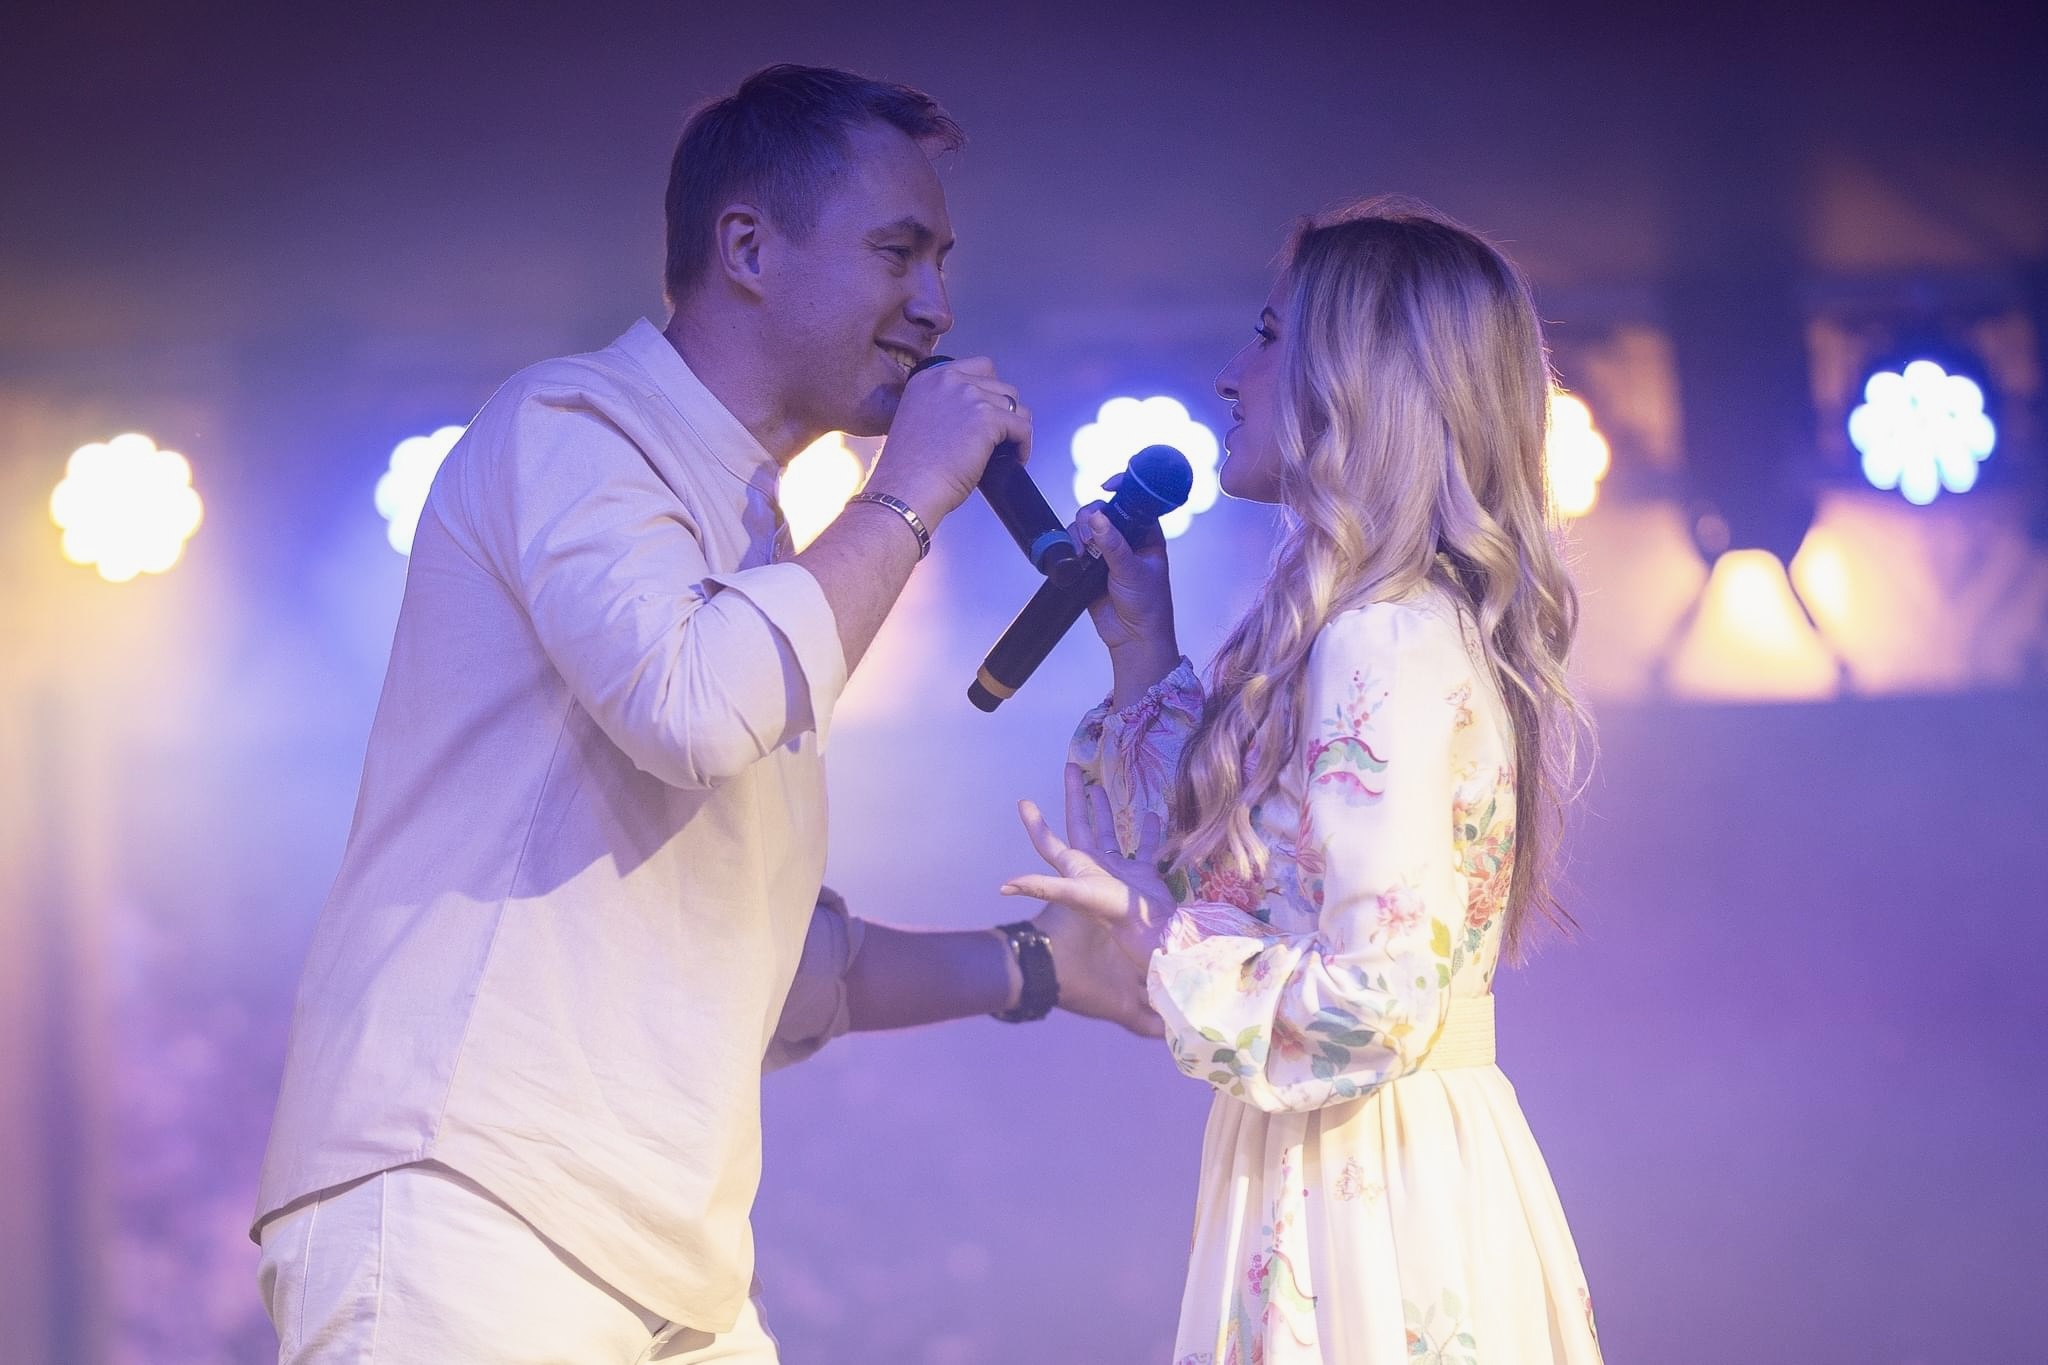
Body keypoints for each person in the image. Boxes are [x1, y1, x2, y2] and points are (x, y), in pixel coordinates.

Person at [251, 64, 1149, 1364]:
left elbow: (765, 962)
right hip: (470, 1199)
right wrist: (904, 496)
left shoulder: (761, 543)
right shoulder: (573, 427)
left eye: (943, 263)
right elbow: (690, 707)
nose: (937, 306)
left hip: (660, 1254)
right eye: (897, 252)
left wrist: (1036, 967)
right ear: (747, 248)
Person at [1003, 197, 1605, 1363]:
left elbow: (1377, 999)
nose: (1230, 376)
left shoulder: (1381, 638)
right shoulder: (1382, 627)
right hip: (1354, 1156)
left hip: (1368, 1182)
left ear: (1360, 377)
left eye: (1269, 336)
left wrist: (1154, 934)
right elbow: (1245, 878)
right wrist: (1141, 644)